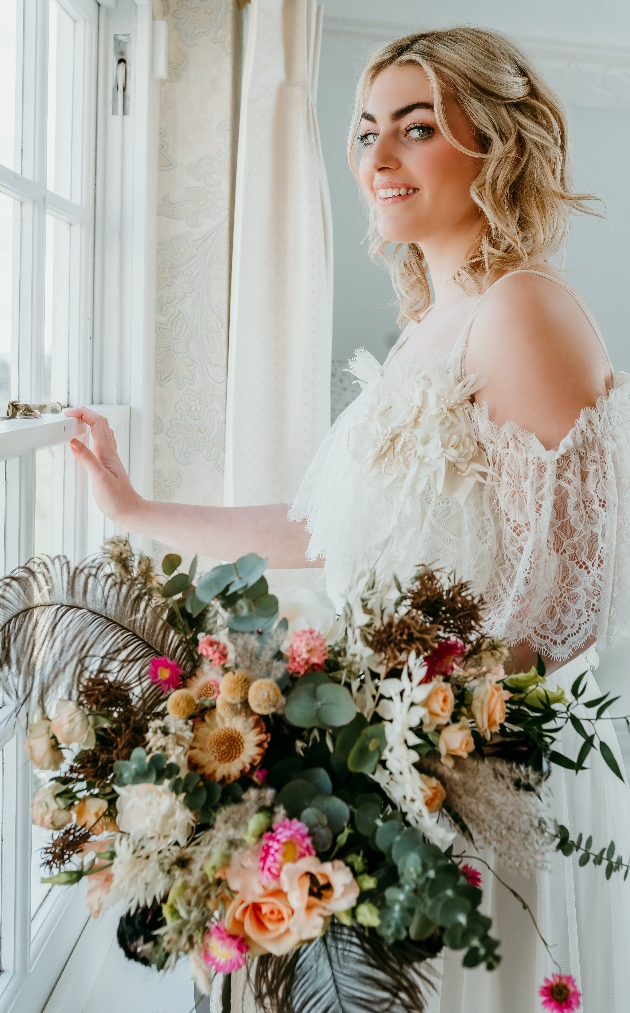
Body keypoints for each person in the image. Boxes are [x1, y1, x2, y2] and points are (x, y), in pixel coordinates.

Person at [67, 27, 630, 1013]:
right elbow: (326, 531)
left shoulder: (523, 309)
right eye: (367, 130)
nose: (376, 157)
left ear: (496, 144)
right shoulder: (430, 323)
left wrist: (405, 738)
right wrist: (134, 506)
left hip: (475, 788)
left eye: (416, 129)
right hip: (403, 777)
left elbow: (577, 598)